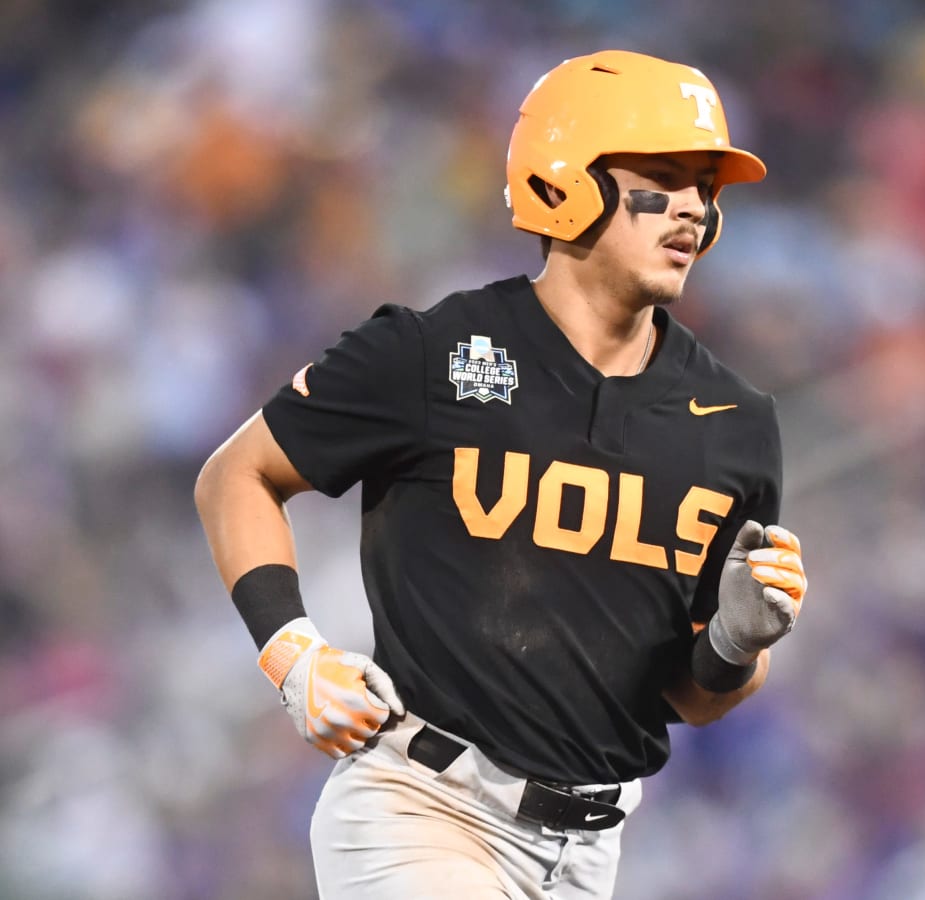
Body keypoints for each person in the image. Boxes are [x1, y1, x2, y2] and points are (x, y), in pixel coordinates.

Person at [195, 49, 808, 899]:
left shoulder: (737, 427)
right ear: (564, 179)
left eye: (707, 188)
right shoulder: (431, 354)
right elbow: (239, 475)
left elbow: (687, 695)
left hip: (591, 853)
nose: (693, 211)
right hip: (419, 805)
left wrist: (735, 647)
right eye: (663, 177)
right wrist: (292, 652)